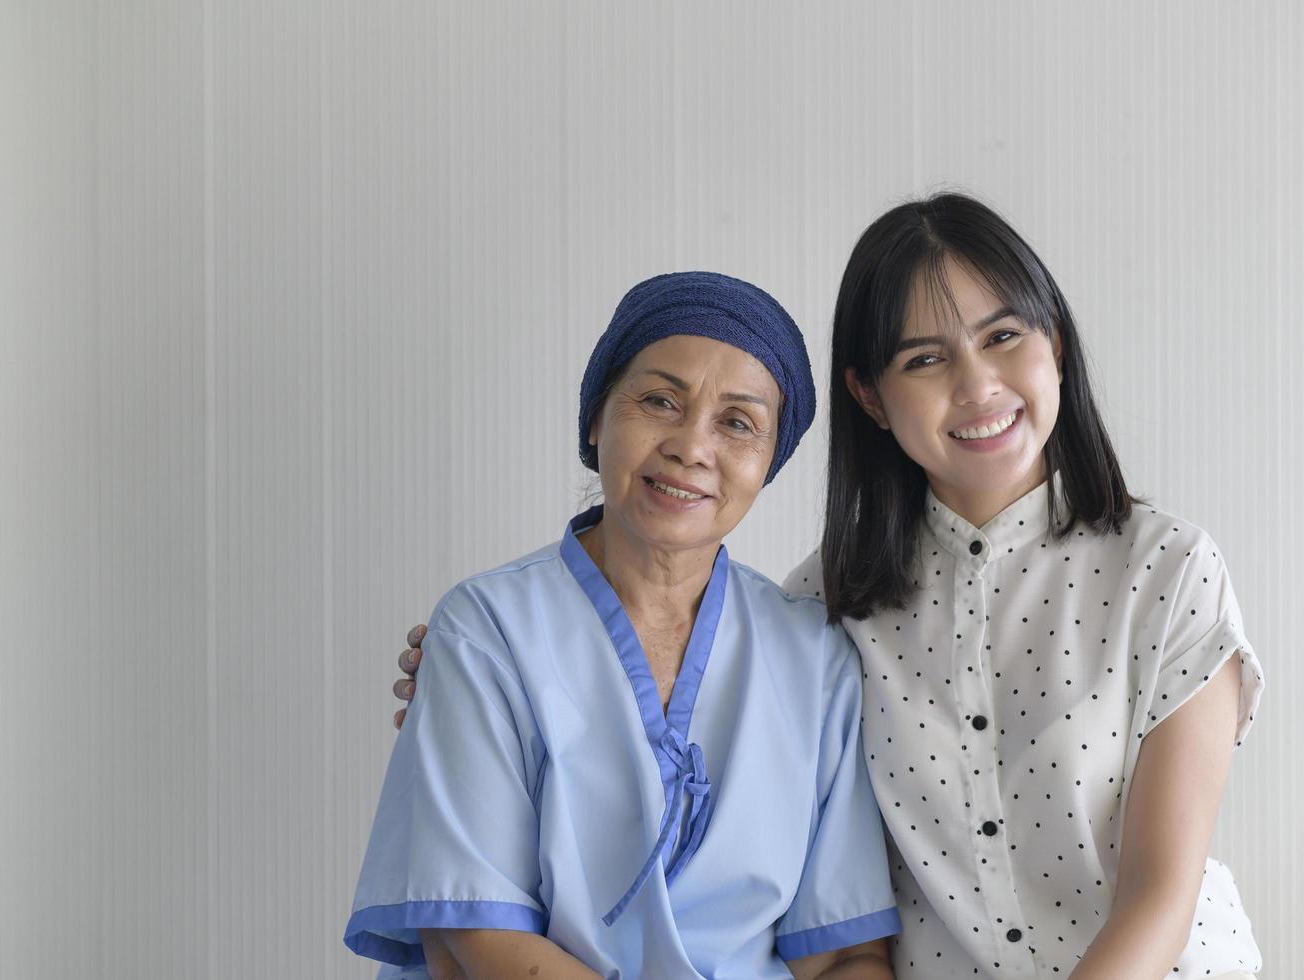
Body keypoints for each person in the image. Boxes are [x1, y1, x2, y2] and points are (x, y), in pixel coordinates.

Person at [394, 194, 1265, 980]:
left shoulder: (1167, 569)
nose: (976, 386)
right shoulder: (829, 610)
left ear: (1056, 349)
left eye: (1004, 337)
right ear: (872, 398)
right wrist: (479, 676)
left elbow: (1159, 893)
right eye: (925, 359)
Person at [348, 272, 900, 979]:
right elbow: (476, 940)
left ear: (769, 462)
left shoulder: (814, 659)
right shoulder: (485, 633)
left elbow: (843, 956)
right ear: (596, 418)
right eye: (660, 401)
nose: (691, 447)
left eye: (738, 423)